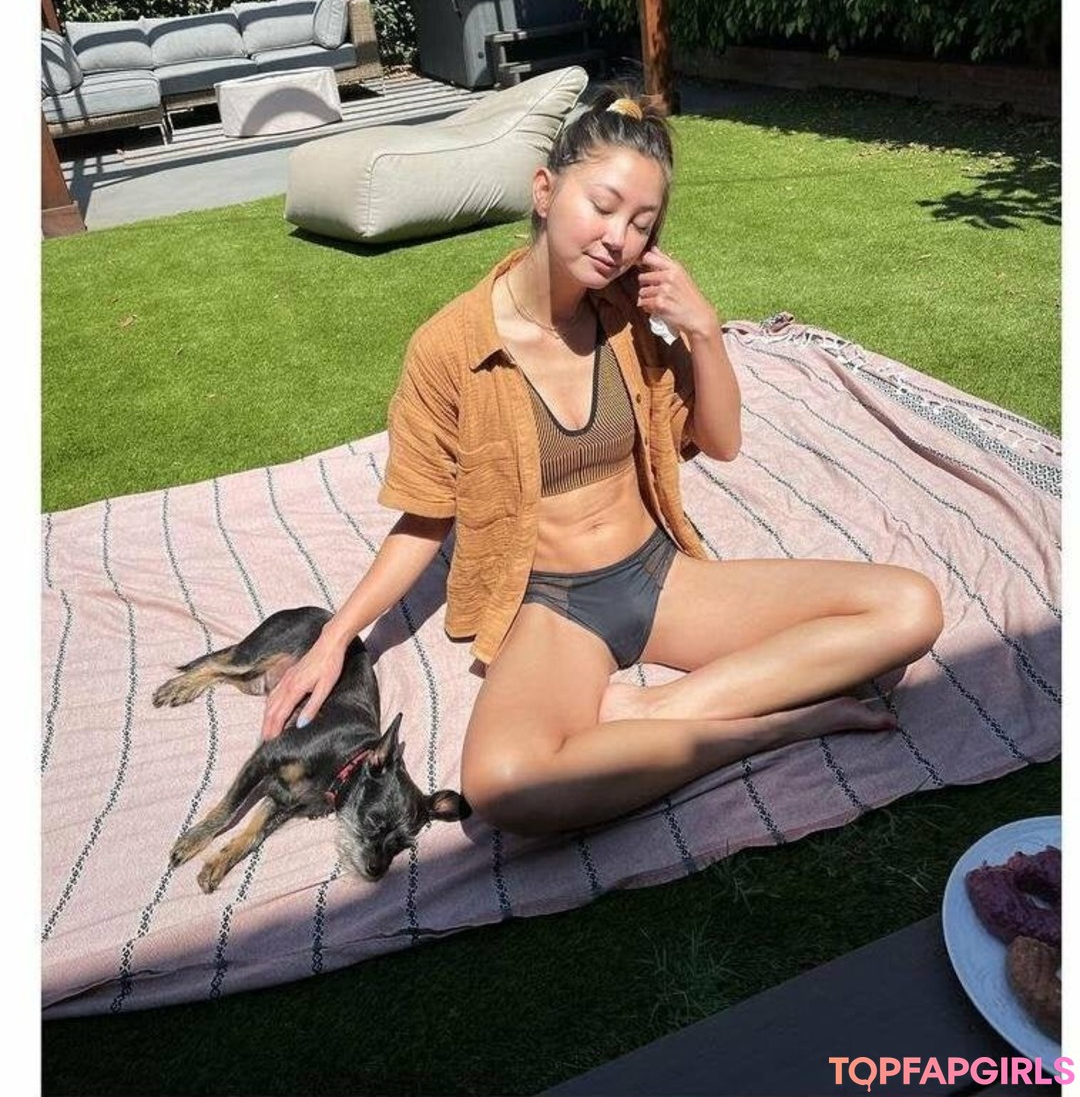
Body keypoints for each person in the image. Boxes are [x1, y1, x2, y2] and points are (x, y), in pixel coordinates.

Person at [262, 88, 943, 836]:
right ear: (545, 191)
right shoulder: (450, 349)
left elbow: (720, 442)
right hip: (554, 607)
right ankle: (764, 727)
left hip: (659, 574)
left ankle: (660, 710)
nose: (618, 238)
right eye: (604, 206)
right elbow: (425, 518)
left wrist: (703, 331)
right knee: (503, 786)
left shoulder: (624, 318)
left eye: (641, 224)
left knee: (911, 608)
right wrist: (335, 638)